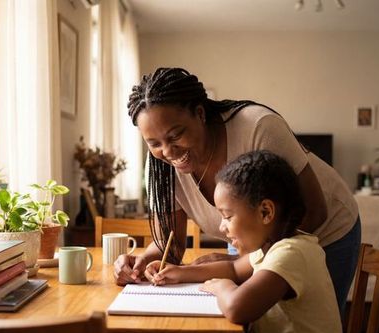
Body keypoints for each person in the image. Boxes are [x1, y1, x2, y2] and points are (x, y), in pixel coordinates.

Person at [114, 67, 360, 318]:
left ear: (199, 113)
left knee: (311, 327)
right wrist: (141, 262)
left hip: (326, 230)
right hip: (259, 245)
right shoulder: (159, 166)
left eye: (175, 135)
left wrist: (235, 264)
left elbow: (313, 212)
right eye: (154, 143)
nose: (167, 151)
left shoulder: (258, 127)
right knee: (269, 331)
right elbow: (171, 244)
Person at [145, 150, 343, 333]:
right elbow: (233, 268)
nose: (222, 227)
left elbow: (237, 309)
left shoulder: (293, 253)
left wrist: (222, 287)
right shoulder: (272, 247)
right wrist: (179, 272)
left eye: (228, 216)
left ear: (265, 212)